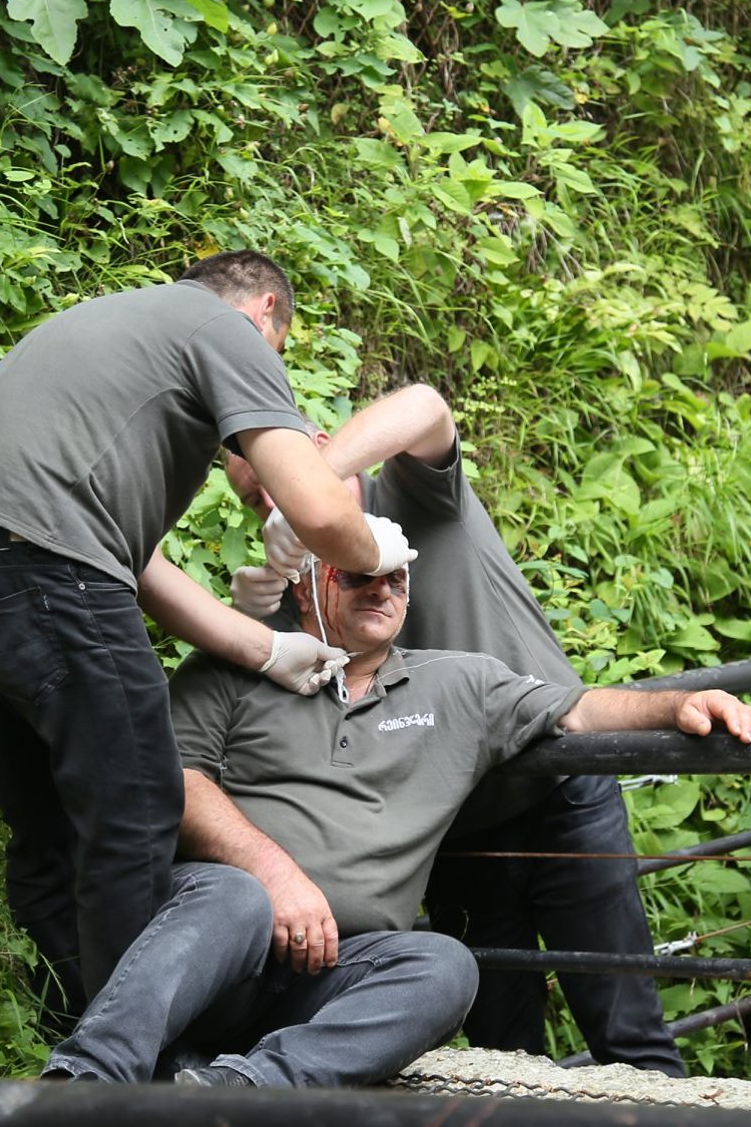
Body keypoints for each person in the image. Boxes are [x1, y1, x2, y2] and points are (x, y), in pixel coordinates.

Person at [0, 251, 413, 1036]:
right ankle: (134, 1065)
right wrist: (375, 549)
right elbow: (319, 509)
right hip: (50, 566)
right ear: (265, 311)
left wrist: (265, 647)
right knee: (138, 806)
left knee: (54, 826)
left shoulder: (115, 331)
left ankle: (72, 1044)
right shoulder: (226, 328)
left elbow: (134, 565)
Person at [43, 550, 751, 1086]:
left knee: (444, 964)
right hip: (219, 944)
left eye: (396, 577)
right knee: (235, 893)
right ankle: (88, 1078)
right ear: (304, 583)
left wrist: (679, 704)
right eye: (359, 574)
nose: (382, 589)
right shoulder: (235, 668)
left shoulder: (458, 682)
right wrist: (276, 874)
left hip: (338, 971)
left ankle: (237, 1092)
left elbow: (580, 708)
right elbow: (179, 782)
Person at [223, 385, 688, 1073]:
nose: (271, 504)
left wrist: (311, 489)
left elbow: (425, 407)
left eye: (274, 479)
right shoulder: (296, 581)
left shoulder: (409, 496)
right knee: (503, 1056)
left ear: (314, 451)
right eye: (255, 500)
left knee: (629, 1032)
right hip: (449, 830)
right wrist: (253, 620)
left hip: (560, 787)